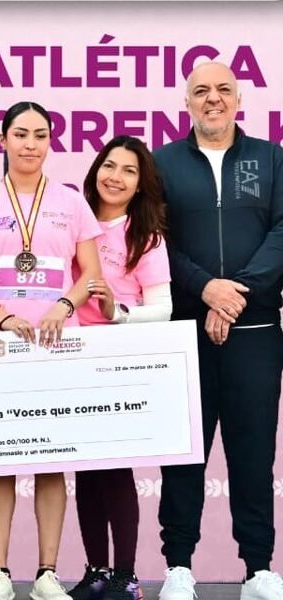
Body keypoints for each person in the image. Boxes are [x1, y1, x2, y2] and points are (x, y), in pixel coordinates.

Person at [0, 101, 102, 600]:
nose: (29, 144)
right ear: (3, 141)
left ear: (50, 142)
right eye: (20, 134)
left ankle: (47, 573)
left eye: (39, 135)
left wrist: (63, 304)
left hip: (57, 344)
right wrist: (0, 315)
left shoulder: (72, 201)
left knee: (53, 457)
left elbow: (91, 276)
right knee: (1, 457)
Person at [154, 61, 283, 600]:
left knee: (254, 453)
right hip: (184, 329)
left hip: (255, 330)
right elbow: (154, 237)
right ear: (186, 103)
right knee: (184, 449)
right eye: (201, 91)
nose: (213, 99)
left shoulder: (271, 159)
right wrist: (206, 288)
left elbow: (282, 230)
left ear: (238, 100)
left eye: (223, 90)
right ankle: (179, 565)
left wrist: (234, 296)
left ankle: (258, 568)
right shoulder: (160, 163)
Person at [60, 136, 171, 600]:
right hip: (70, 357)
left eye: (128, 170)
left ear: (140, 183)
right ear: (95, 170)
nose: (115, 177)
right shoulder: (69, 221)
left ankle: (126, 575)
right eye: (109, 165)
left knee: (117, 470)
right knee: (85, 469)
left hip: (119, 363)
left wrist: (119, 313)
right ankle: (95, 571)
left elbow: (163, 307)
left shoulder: (145, 236)